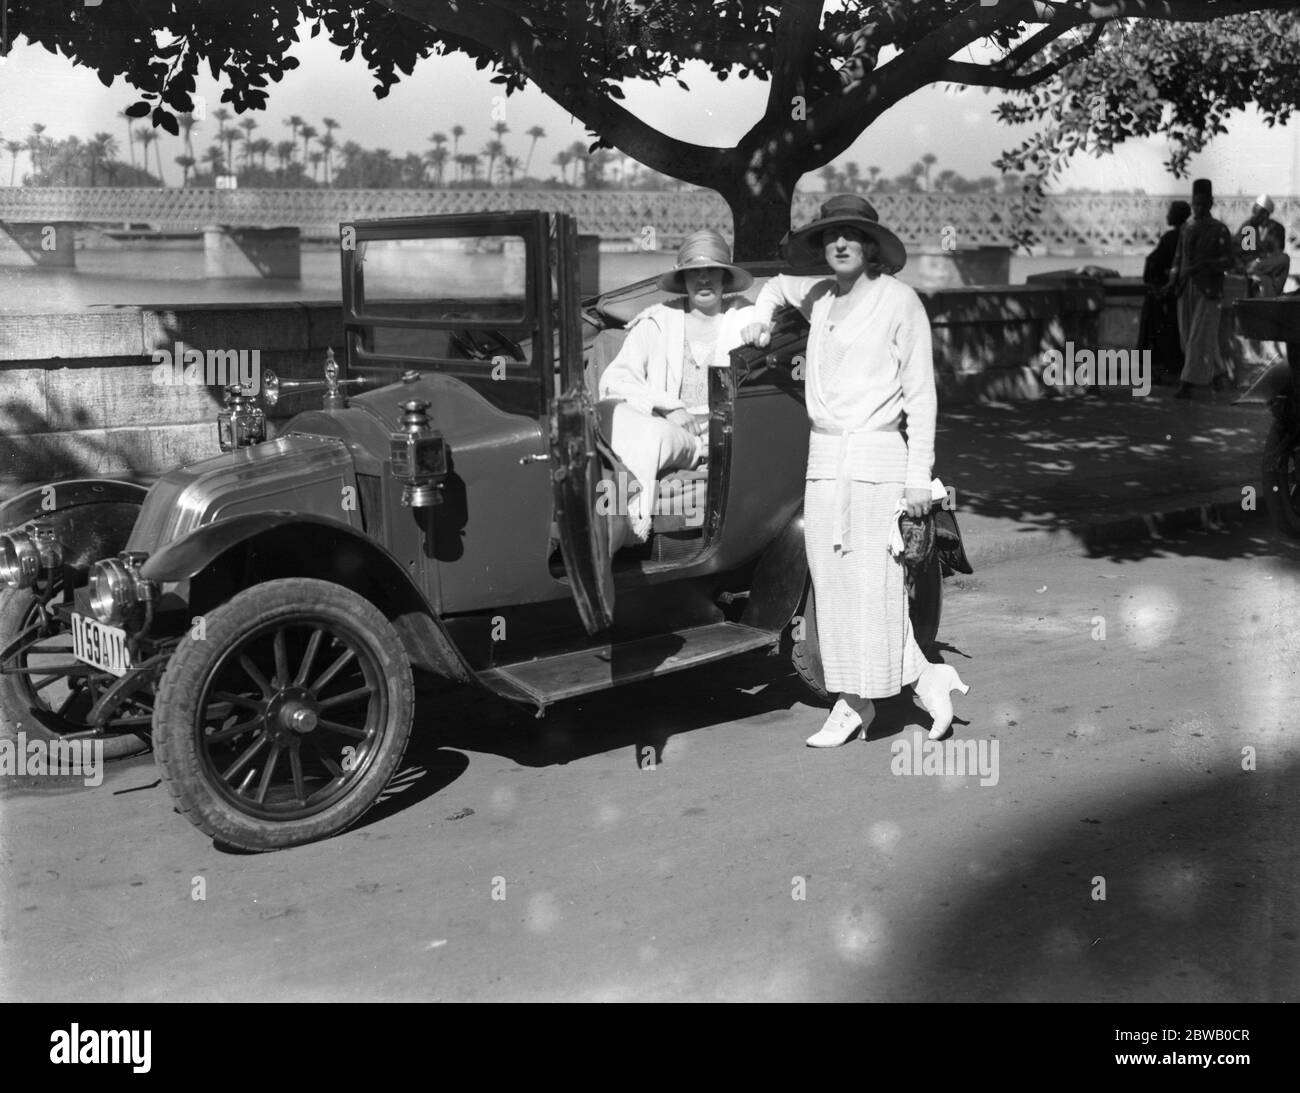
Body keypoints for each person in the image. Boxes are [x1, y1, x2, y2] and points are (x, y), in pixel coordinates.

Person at [741, 194, 968, 748]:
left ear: (871, 247)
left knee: (877, 587)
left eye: (851, 235)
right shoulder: (818, 295)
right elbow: (771, 287)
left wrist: (919, 477)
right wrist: (754, 318)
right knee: (833, 584)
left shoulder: (899, 302)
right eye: (829, 236)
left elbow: (922, 397)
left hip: (878, 461)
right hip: (825, 465)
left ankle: (909, 683)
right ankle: (859, 699)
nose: (839, 244)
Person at [597, 230, 756, 543]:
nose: (704, 280)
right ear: (684, 280)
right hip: (664, 425)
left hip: (716, 436)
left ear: (725, 278)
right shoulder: (656, 322)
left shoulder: (743, 322)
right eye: (695, 273)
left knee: (651, 436)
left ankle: (632, 517)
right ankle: (626, 515)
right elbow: (615, 381)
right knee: (609, 413)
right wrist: (669, 406)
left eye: (712, 272)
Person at [1168, 178, 1233, 399]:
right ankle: (1219, 376)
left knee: (1197, 339)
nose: (1198, 207)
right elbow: (1178, 258)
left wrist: (1205, 265)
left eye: (1202, 203)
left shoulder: (1220, 230)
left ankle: (1187, 384)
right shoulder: (1186, 229)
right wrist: (1171, 282)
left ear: (1211, 203)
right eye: (1195, 203)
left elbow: (1228, 261)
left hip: (1209, 291)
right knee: (1189, 337)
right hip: (1186, 289)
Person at [1138, 200, 1190, 383]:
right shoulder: (1187, 234)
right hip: (1181, 293)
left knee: (1156, 332)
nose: (1167, 216)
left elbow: (1153, 261)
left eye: (1170, 212)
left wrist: (1153, 280)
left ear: (1177, 215)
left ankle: (1159, 371)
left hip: (1164, 294)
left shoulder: (1171, 237)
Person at [1233, 194, 1285, 273]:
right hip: (1248, 263)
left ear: (1265, 214)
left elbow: (1278, 251)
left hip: (1265, 263)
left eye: (1257, 214)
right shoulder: (1247, 226)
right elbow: (1237, 247)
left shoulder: (1277, 229)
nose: (1253, 216)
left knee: (1284, 258)